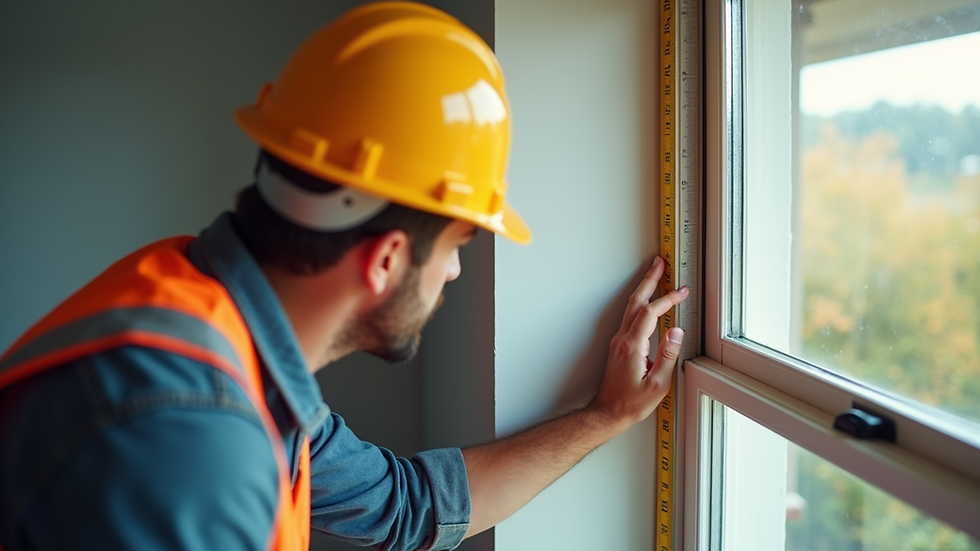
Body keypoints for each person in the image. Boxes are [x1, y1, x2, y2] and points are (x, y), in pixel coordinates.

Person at [0, 2, 689, 550]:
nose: (453, 272)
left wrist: (605, 417)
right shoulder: (187, 436)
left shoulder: (224, 333)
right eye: (458, 244)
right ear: (386, 258)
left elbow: (407, 505)